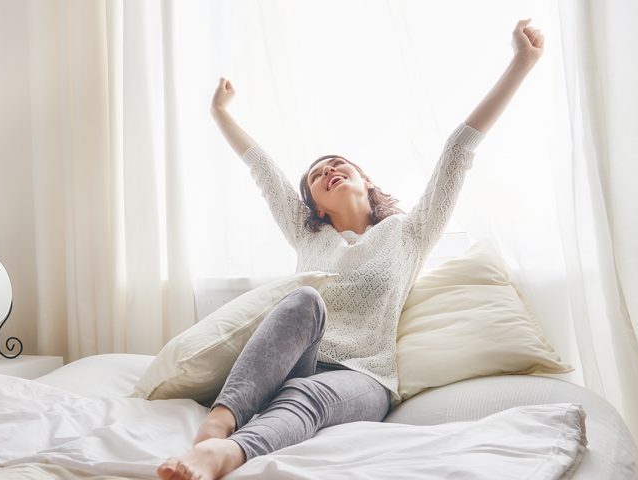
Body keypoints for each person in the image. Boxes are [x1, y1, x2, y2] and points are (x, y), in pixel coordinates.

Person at [157, 18, 545, 480]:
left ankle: (225, 454)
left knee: (305, 399)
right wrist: (221, 112)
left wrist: (521, 63)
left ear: (366, 180)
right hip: (295, 362)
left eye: (340, 163)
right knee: (303, 298)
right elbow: (263, 171)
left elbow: (458, 152)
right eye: (317, 175)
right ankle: (215, 426)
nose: (330, 169)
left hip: (364, 377)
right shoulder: (309, 236)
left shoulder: (410, 232)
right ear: (314, 206)